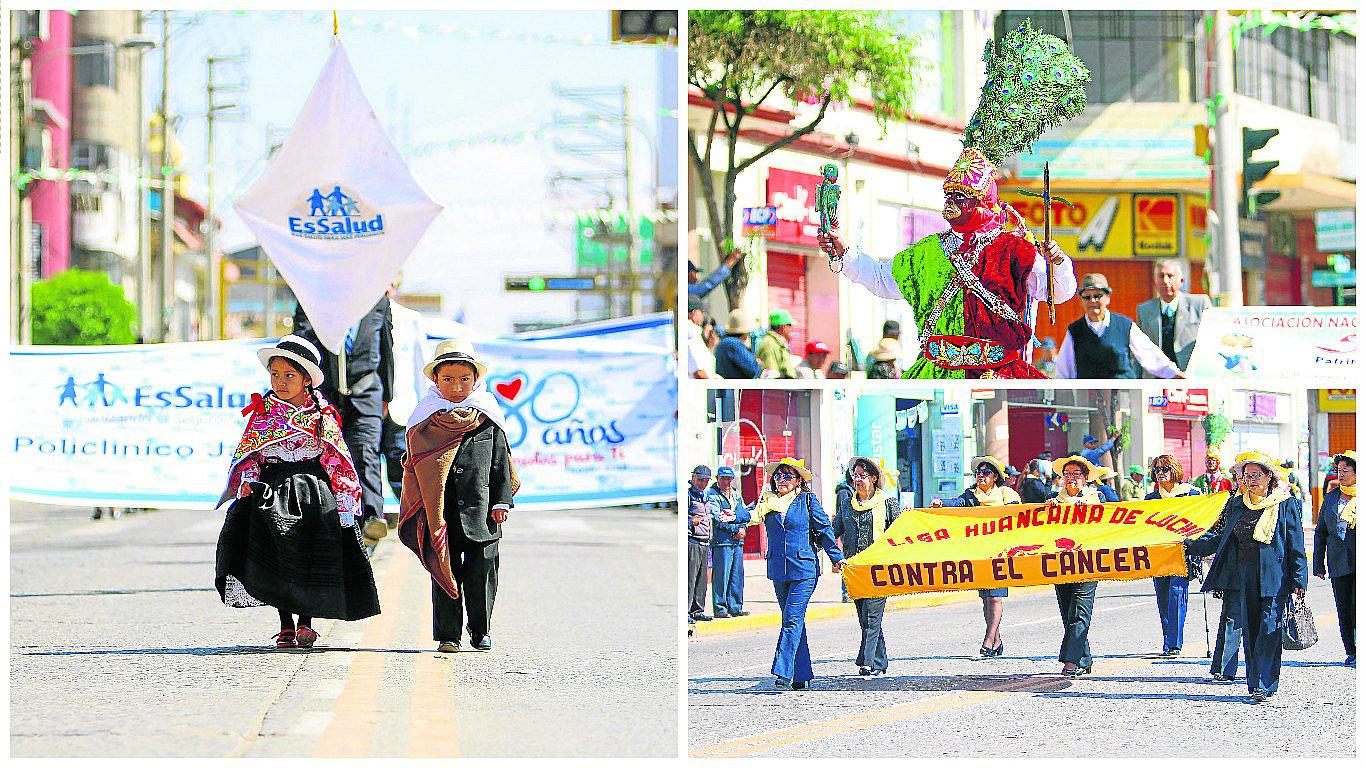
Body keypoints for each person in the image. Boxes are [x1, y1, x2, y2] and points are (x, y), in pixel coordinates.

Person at [817, 22, 1084, 379]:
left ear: (985, 203)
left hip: (998, 375)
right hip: (935, 376)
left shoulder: (1015, 251)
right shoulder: (927, 252)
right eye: (950, 195)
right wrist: (843, 251)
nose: (952, 203)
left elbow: (1060, 292)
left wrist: (1058, 262)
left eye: (963, 196)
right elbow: (882, 279)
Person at [214, 335, 381, 648]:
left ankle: (306, 622)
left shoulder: (322, 414)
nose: (280, 382)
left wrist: (344, 501)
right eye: (275, 375)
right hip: (272, 492)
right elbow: (250, 453)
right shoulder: (263, 412)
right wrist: (249, 479)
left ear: (307, 380)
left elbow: (336, 456)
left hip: (312, 492)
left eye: (289, 376)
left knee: (307, 556)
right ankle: (285, 624)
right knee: (278, 555)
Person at [399, 339, 517, 653]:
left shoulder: (487, 417)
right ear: (435, 380)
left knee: (482, 576)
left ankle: (481, 631)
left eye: (464, 379)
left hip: (483, 513)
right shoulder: (424, 421)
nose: (456, 387)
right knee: (444, 573)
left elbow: (500, 462)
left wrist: (501, 501)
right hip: (442, 512)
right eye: (448, 379)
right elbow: (413, 467)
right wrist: (420, 503)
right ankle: (448, 635)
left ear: (475, 380)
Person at [1184, 451, 1308, 702]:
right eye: (1246, 475)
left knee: (1269, 630)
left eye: (1256, 475)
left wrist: (1299, 580)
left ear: (1269, 476)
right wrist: (1189, 544)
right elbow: (1220, 537)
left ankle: (1266, 683)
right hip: (1244, 575)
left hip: (1276, 577)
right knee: (1251, 631)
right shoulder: (1236, 503)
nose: (1250, 480)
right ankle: (1255, 685)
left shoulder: (1285, 504)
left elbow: (1296, 544)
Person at [292, 296, 395, 551]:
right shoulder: (312, 295)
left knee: (365, 451)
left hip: (367, 390)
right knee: (325, 457)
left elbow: (386, 348)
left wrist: (387, 396)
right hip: (324, 392)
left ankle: (371, 519)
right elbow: (299, 344)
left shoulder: (377, 299)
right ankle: (322, 524)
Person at [751, 458, 845, 690]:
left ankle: (783, 671)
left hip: (804, 570)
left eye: (788, 476)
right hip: (779, 569)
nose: (782, 480)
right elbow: (750, 515)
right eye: (778, 475)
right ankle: (802, 673)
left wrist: (835, 556)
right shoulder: (768, 502)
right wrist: (733, 518)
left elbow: (823, 530)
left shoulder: (807, 500)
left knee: (792, 619)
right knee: (794, 622)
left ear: (799, 481)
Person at [932, 456, 1019, 657]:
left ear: (995, 476)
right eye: (978, 472)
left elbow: (1019, 515)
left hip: (1000, 553)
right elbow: (956, 503)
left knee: (996, 596)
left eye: (986, 472)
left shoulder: (1007, 495)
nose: (981, 476)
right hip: (979, 553)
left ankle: (988, 641)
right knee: (986, 598)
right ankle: (996, 640)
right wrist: (940, 503)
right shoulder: (971, 496)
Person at [831, 457, 900, 676]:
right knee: (864, 615)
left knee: (873, 615)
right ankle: (881, 661)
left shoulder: (888, 503)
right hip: (854, 569)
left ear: (873, 479)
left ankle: (866, 661)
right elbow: (834, 530)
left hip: (879, 567)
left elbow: (900, 533)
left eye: (863, 476)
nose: (858, 480)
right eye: (855, 475)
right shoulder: (846, 504)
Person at [1055, 273, 1183, 379]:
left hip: (1125, 398)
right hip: (1090, 401)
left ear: (1108, 298)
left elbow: (1151, 356)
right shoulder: (1074, 331)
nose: (1092, 301)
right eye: (1087, 297)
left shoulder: (1125, 326)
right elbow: (1063, 373)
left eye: (1098, 296)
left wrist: (1175, 374)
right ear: (1081, 301)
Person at [1047, 455, 1104, 676]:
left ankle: (1070, 662)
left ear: (1085, 479)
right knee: (1067, 611)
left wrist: (1089, 510)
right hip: (1060, 563)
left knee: (1081, 610)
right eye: (1067, 474)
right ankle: (1084, 658)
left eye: (1076, 474)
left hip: (1088, 563)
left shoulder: (1097, 499)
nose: (1071, 478)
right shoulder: (1053, 500)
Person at [1145, 454, 1201, 657]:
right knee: (1163, 597)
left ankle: (1174, 643)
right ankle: (1168, 639)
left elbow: (1201, 522)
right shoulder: (1151, 499)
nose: (1160, 473)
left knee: (1177, 594)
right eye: (1157, 470)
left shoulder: (1191, 494)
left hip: (1182, 553)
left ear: (1175, 471)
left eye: (1165, 469)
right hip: (1159, 553)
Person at [382, 280, 426, 522]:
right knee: (364, 468)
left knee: (401, 466)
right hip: (369, 406)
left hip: (402, 407)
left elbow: (421, 366)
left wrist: (428, 407)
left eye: (390, 283)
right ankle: (370, 518)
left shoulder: (411, 319)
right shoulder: (358, 318)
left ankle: (414, 518)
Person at [1314, 450, 1356, 667]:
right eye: (1338, 471)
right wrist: (1318, 564)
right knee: (1344, 609)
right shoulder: (1331, 497)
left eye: (1345, 471)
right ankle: (1351, 650)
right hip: (1339, 562)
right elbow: (1321, 532)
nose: (1340, 475)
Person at [1135, 258, 1211, 373]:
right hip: (1157, 378)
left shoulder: (1199, 304)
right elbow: (1140, 348)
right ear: (1154, 281)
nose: (1165, 281)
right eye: (1161, 276)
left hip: (1189, 376)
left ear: (1181, 280)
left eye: (1170, 276)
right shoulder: (1144, 310)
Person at [708, 467, 749, 619]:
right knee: (722, 575)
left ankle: (736, 607)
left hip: (737, 542)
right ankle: (720, 608)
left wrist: (742, 528)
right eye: (723, 478)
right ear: (717, 478)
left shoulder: (736, 494)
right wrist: (734, 529)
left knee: (737, 575)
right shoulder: (712, 495)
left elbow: (743, 513)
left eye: (728, 479)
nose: (726, 482)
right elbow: (717, 517)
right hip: (722, 541)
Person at [687, 465, 716, 623]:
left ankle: (697, 610)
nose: (703, 483)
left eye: (706, 481)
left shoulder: (705, 496)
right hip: (693, 541)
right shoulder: (688, 496)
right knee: (690, 578)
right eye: (700, 480)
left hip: (705, 542)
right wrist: (690, 521)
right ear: (693, 478)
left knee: (702, 580)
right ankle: (687, 611)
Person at [713, 310, 762, 379]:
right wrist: (757, 364)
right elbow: (753, 369)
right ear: (745, 332)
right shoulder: (733, 344)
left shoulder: (723, 342)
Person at [755, 310, 799, 379]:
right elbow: (770, 375)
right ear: (784, 327)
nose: (792, 329)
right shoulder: (769, 344)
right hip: (778, 388)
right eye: (790, 325)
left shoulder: (777, 343)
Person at [685, 296, 716, 380]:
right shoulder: (691, 332)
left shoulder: (690, 331)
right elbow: (698, 372)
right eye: (701, 312)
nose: (703, 316)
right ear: (694, 313)